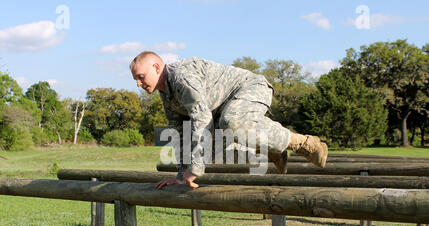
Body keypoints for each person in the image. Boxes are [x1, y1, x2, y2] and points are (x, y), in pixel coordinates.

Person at [130, 51, 328, 190]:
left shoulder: (182, 78)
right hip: (222, 110)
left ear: (156, 67)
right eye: (135, 80)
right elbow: (181, 134)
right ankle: (273, 149)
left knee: (231, 122)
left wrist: (195, 169)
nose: (139, 84)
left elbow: (201, 120)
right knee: (213, 148)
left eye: (141, 77)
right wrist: (182, 176)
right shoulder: (167, 95)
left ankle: (305, 143)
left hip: (249, 88)